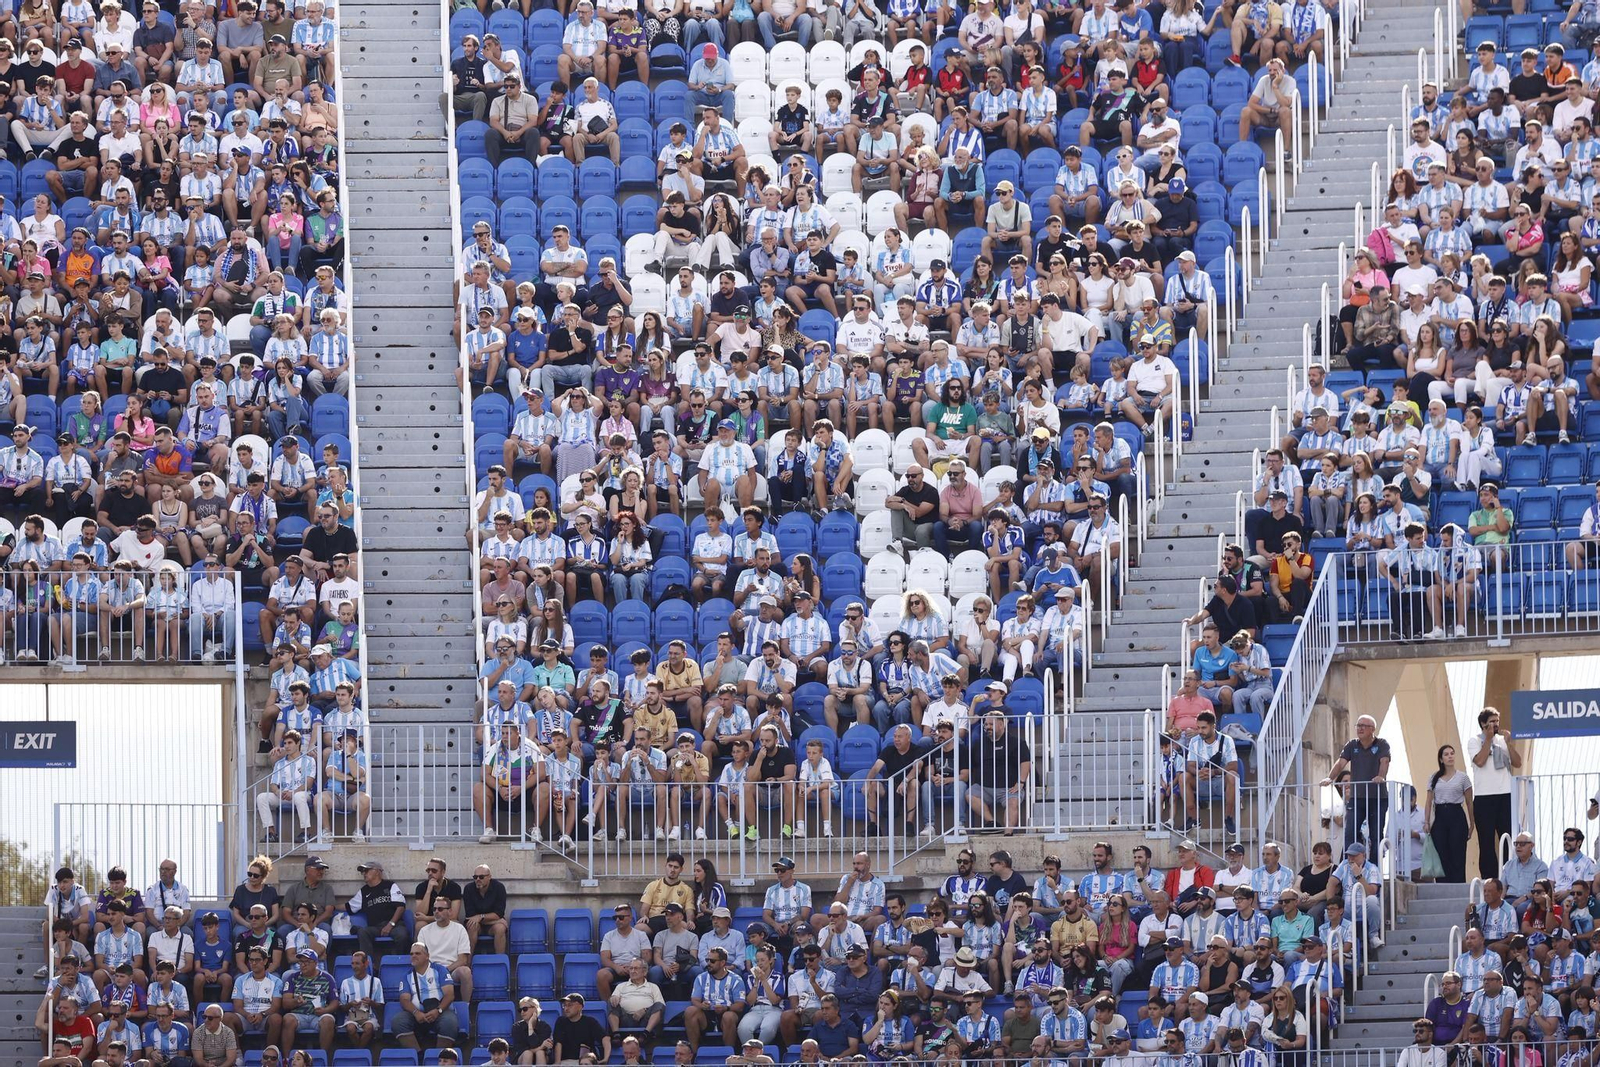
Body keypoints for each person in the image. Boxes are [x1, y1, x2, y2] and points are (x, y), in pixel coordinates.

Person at [1320, 714, 1390, 853]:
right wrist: (1330, 778)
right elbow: (1341, 763)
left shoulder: (1382, 744)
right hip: (1357, 798)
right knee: (1350, 833)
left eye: (1364, 726)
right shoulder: (1352, 745)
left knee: (1375, 835)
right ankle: (1349, 863)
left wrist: (1381, 776)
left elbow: (1384, 761)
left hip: (1378, 798)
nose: (1360, 728)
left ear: (1372, 729)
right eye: (1358, 725)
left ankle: (1375, 864)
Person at [1468, 706, 1521, 879]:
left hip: (1505, 795)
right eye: (1492, 722)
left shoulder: (1502, 740)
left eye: (1497, 721)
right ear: (1483, 724)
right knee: (1486, 841)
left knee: (1507, 838)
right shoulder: (1475, 741)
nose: (1496, 724)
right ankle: (1489, 879)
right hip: (1484, 797)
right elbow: (1480, 761)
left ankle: (1508, 876)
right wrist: (1489, 739)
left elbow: (1517, 762)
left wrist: (1508, 743)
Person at [1426, 744, 1477, 884]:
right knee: (1441, 853)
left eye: (1452, 753)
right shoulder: (1434, 777)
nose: (1450, 756)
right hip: (1440, 816)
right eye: (1446, 754)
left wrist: (1472, 823)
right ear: (1441, 759)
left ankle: (1458, 885)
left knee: (1458, 852)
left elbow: (1469, 802)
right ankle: (1442, 885)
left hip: (1457, 815)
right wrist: (1427, 822)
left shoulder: (1463, 777)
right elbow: (1429, 801)